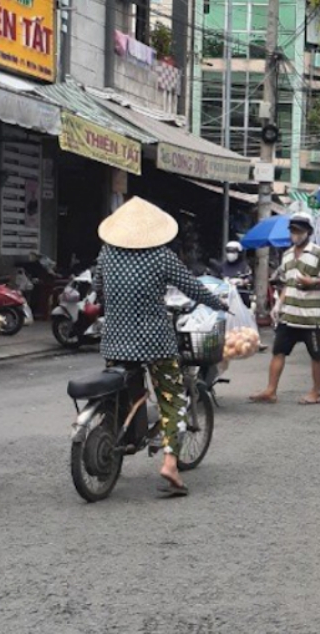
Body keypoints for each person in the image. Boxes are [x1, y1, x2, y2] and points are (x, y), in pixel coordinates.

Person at [93, 197, 226, 497]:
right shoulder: (161, 257)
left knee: (123, 393)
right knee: (173, 399)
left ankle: (122, 434)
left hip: (114, 339)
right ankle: (169, 463)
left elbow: (98, 287)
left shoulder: (106, 254)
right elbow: (192, 286)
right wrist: (218, 303)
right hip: (155, 341)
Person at [252, 213, 320, 405]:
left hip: (310, 316)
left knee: (316, 355)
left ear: (308, 232)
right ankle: (271, 390)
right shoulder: (287, 255)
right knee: (278, 351)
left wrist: (314, 281)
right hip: (289, 314)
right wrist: (278, 304)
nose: (295, 234)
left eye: (299, 230)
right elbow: (287, 284)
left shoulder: (318, 253)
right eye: (293, 230)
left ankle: (316, 392)